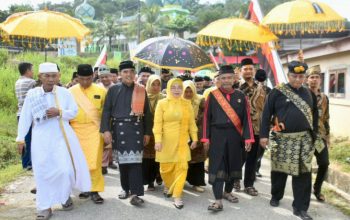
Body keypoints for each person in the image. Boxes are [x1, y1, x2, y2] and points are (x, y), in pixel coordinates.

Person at [16, 62, 91, 220]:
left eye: (54, 76)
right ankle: (44, 207)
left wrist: (60, 112)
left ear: (59, 76)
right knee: (43, 173)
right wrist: (20, 138)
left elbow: (74, 113)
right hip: (41, 139)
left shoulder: (65, 93)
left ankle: (64, 196)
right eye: (47, 76)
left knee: (66, 170)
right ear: (40, 77)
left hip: (62, 137)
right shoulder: (33, 94)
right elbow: (25, 117)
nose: (50, 79)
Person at [260, 61, 318, 220]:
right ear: (288, 75)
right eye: (294, 76)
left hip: (304, 140)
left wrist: (315, 136)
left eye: (301, 76)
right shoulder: (277, 93)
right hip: (282, 139)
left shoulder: (309, 94)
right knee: (279, 171)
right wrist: (263, 135)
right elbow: (266, 115)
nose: (298, 80)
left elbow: (315, 117)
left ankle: (300, 208)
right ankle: (276, 196)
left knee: (303, 175)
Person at [202, 65, 254, 212]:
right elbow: (206, 118)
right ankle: (218, 200)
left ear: (234, 79)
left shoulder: (241, 96)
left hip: (235, 137)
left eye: (229, 77)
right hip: (217, 136)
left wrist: (248, 138)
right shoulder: (213, 95)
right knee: (218, 167)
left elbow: (247, 120)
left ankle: (228, 191)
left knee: (233, 166)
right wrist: (205, 138)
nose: (226, 81)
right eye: (223, 78)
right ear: (219, 79)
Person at [100, 60, 152, 206]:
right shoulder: (113, 90)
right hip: (119, 129)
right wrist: (105, 130)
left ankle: (136, 193)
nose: (128, 74)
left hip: (137, 129)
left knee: (136, 163)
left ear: (135, 74)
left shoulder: (141, 90)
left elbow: (147, 113)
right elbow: (107, 112)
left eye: (131, 71)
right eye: (125, 72)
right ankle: (125, 189)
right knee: (123, 162)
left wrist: (147, 132)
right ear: (120, 74)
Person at [153, 78, 198, 209]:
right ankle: (168, 185)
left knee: (182, 168)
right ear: (168, 88)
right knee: (165, 169)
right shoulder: (162, 103)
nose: (177, 90)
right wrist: (158, 141)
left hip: (182, 142)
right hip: (166, 142)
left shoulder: (186, 103)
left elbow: (191, 123)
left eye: (179, 87)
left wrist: (194, 138)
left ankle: (177, 195)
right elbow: (157, 124)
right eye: (173, 87)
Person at [69, 64, 106, 204]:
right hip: (75, 130)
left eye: (89, 79)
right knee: (80, 161)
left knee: (95, 161)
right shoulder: (70, 92)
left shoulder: (101, 91)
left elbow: (106, 112)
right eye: (82, 79)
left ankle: (95, 190)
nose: (85, 82)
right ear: (77, 77)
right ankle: (85, 187)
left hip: (94, 130)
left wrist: (106, 131)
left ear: (93, 76)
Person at [307, 65, 330, 202]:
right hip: (306, 135)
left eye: (316, 77)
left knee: (324, 163)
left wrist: (327, 135)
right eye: (311, 77)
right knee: (306, 165)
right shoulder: (303, 95)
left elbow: (326, 118)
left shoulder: (325, 98)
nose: (314, 80)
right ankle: (305, 189)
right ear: (307, 80)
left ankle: (317, 188)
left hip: (320, 137)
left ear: (320, 80)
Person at [183, 80, 206, 192]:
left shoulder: (200, 100)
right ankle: (181, 181)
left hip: (197, 132)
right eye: (185, 91)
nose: (188, 94)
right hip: (182, 134)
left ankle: (196, 183)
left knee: (197, 160)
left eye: (190, 91)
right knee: (183, 159)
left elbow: (204, 118)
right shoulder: (179, 101)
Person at [143, 75, 164, 191]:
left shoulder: (164, 98)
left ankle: (159, 175)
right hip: (146, 131)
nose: (156, 87)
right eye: (153, 84)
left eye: (158, 84)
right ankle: (149, 181)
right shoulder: (143, 97)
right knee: (147, 159)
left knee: (159, 156)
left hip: (160, 132)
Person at [15, 62, 36, 170]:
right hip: (27, 115)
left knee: (23, 139)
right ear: (27, 71)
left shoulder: (18, 82)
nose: (33, 72)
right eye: (32, 70)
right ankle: (27, 164)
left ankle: (25, 163)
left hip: (19, 113)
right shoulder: (31, 82)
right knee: (29, 140)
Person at [253, 69, 271, 178]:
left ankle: (256, 169)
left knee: (261, 148)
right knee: (257, 148)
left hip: (264, 122)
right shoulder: (252, 89)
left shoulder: (268, 91)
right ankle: (253, 169)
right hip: (254, 122)